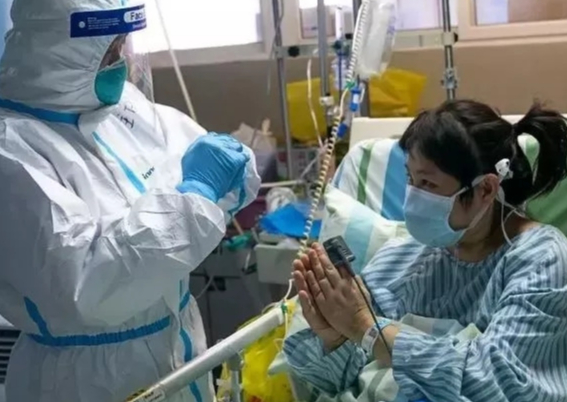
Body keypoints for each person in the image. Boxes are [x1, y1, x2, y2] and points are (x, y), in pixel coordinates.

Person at [0, 1, 260, 401]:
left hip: (179, 349)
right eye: (109, 48)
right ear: (59, 47)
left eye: (123, 43)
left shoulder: (119, 106)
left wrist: (206, 190)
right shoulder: (13, 150)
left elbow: (227, 174)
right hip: (86, 380)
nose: (120, 60)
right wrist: (197, 198)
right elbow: (91, 283)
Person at [284, 100, 567, 402]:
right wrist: (334, 337)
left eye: (428, 183)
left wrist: (368, 329)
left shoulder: (542, 259)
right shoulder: (404, 256)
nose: (413, 196)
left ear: (485, 189)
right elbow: (338, 382)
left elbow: (498, 383)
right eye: (410, 179)